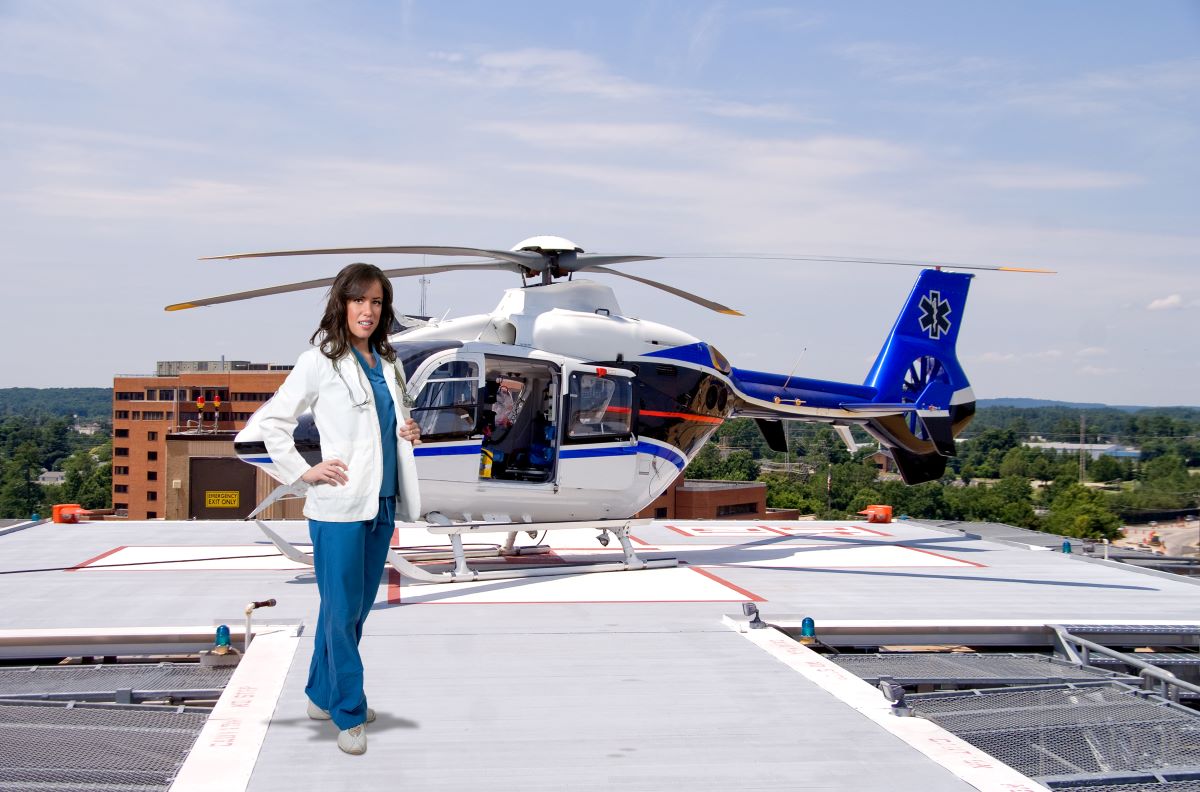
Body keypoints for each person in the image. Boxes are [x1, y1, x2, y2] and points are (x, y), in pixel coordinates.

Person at [248, 263, 421, 756]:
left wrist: (409, 432)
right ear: (341, 304)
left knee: (352, 611)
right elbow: (274, 424)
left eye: (377, 302)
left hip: (383, 501)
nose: (368, 311)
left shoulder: (390, 363)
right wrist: (304, 472)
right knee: (342, 611)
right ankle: (348, 710)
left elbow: (394, 423)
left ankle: (321, 694)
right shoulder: (318, 362)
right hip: (339, 508)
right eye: (359, 300)